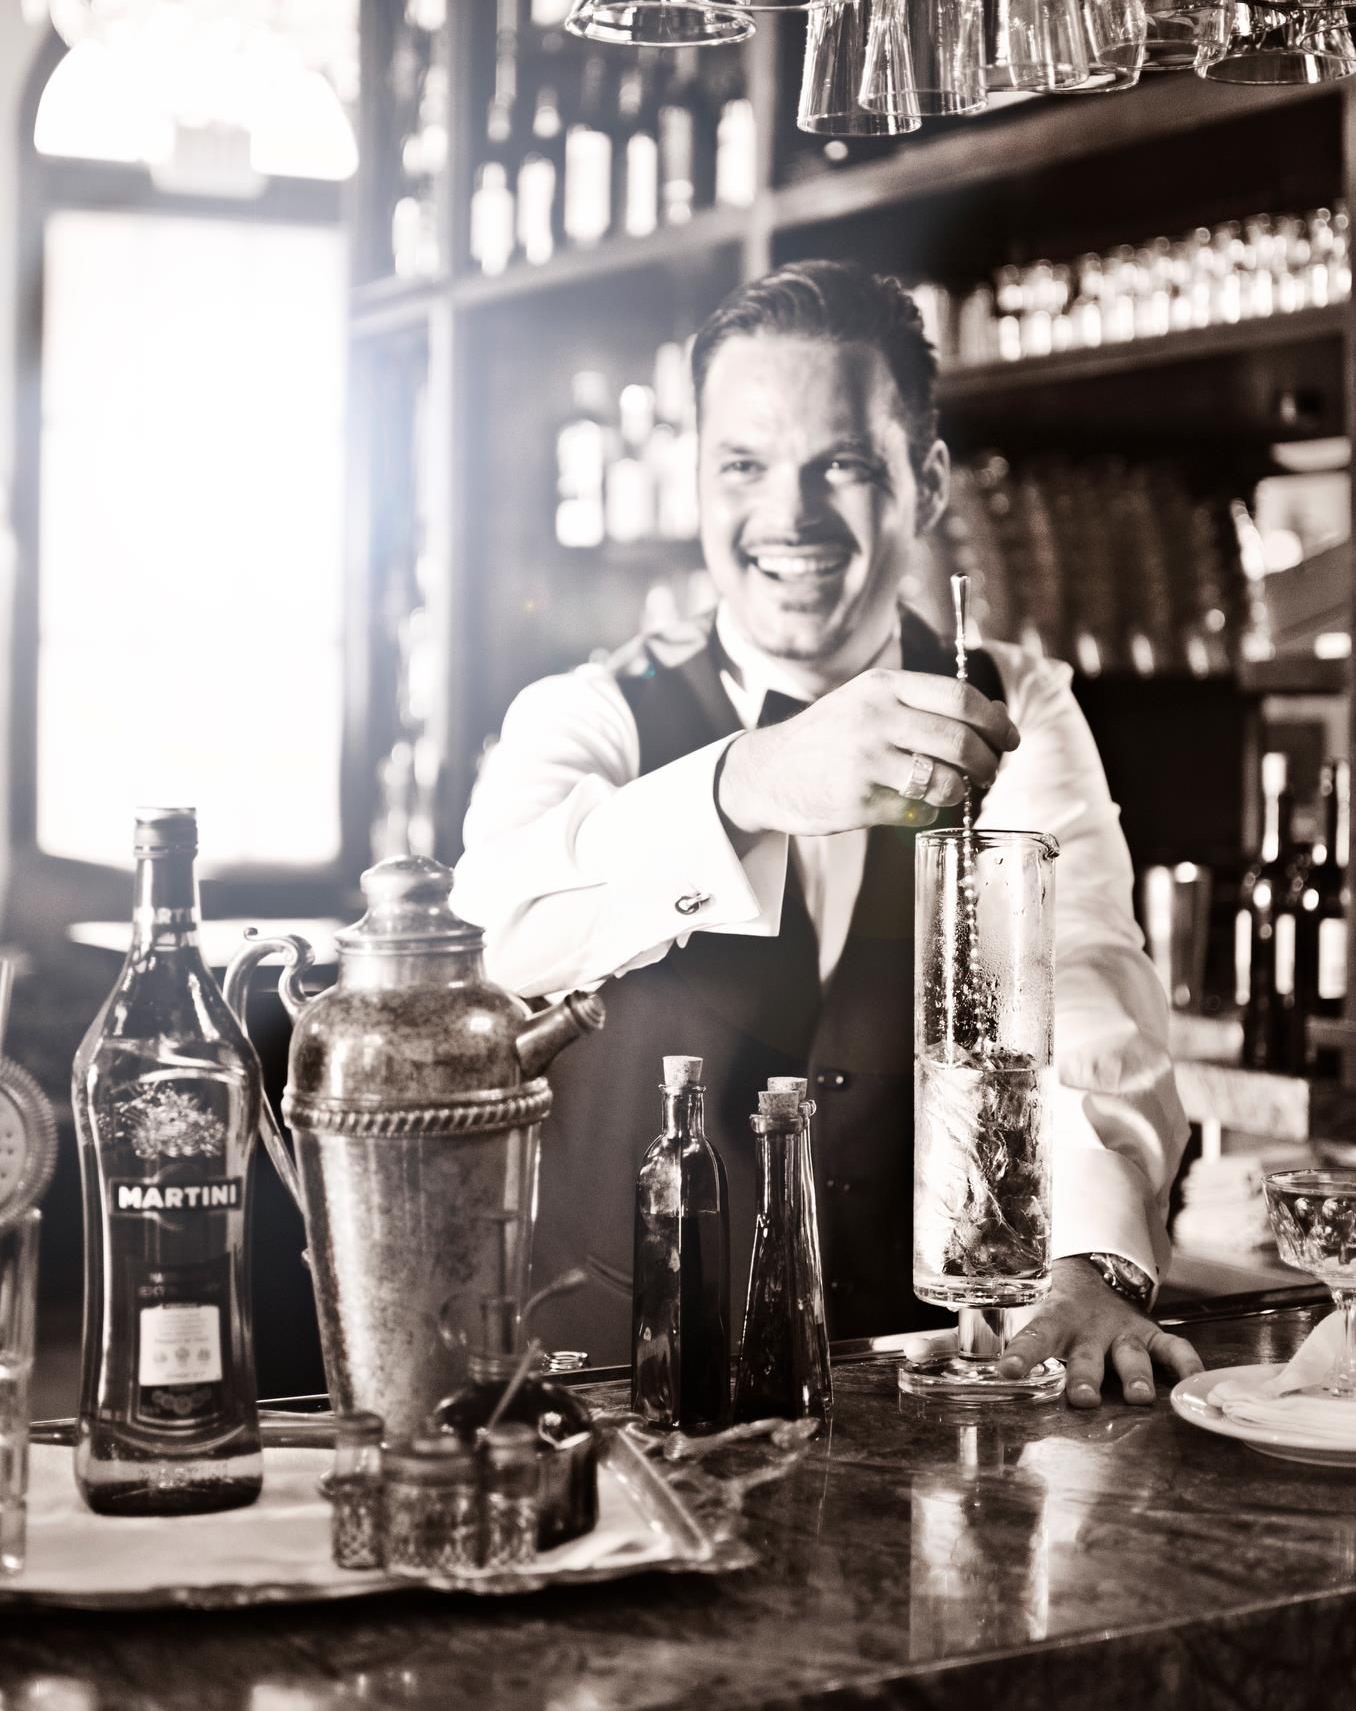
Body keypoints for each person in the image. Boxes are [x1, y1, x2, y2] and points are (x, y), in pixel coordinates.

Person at [454, 260, 1202, 1407]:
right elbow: (497, 941)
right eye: (744, 465)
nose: (790, 514)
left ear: (927, 482)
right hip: (614, 1393)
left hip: (914, 1395)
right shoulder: (587, 712)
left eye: (841, 464)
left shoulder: (1014, 702)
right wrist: (745, 783)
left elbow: (1086, 981)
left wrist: (1092, 1260)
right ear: (696, 479)